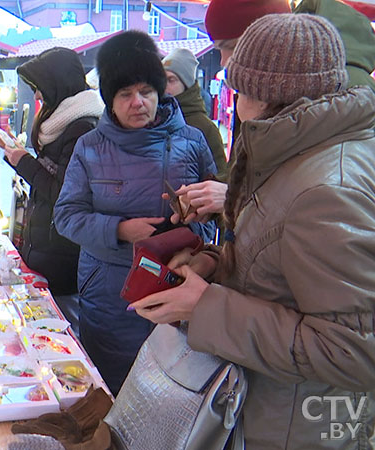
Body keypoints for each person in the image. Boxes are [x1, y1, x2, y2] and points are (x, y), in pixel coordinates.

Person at [130, 14, 375, 448]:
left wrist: (205, 307)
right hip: (266, 411)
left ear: (268, 95)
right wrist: (213, 264)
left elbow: (355, 350)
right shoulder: (298, 155)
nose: (236, 103)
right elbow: (283, 270)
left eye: (239, 89)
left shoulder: (324, 189)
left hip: (296, 429)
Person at [53, 31, 217, 394]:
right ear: (110, 101)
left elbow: (221, 213)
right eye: (125, 94)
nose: (137, 102)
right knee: (109, 394)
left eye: (146, 91)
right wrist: (121, 230)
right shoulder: (89, 146)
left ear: (161, 92)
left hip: (180, 286)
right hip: (110, 295)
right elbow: (66, 216)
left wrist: (201, 220)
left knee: (173, 396)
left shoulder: (192, 141)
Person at [175, 0, 375, 224]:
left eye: (230, 46)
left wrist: (233, 197)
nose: (223, 62)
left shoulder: (340, 92)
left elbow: (311, 202)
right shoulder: (268, 87)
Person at [0, 47, 104, 336]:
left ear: (57, 82)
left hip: (64, 256)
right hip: (47, 250)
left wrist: (23, 161)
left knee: (60, 337)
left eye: (40, 89)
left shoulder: (83, 127)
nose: (38, 97)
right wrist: (16, 156)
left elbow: (63, 193)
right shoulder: (61, 122)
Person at [163, 48, 227, 180]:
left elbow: (220, 178)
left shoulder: (205, 128)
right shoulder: (154, 119)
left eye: (171, 80)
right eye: (162, 80)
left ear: (186, 84)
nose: (164, 86)